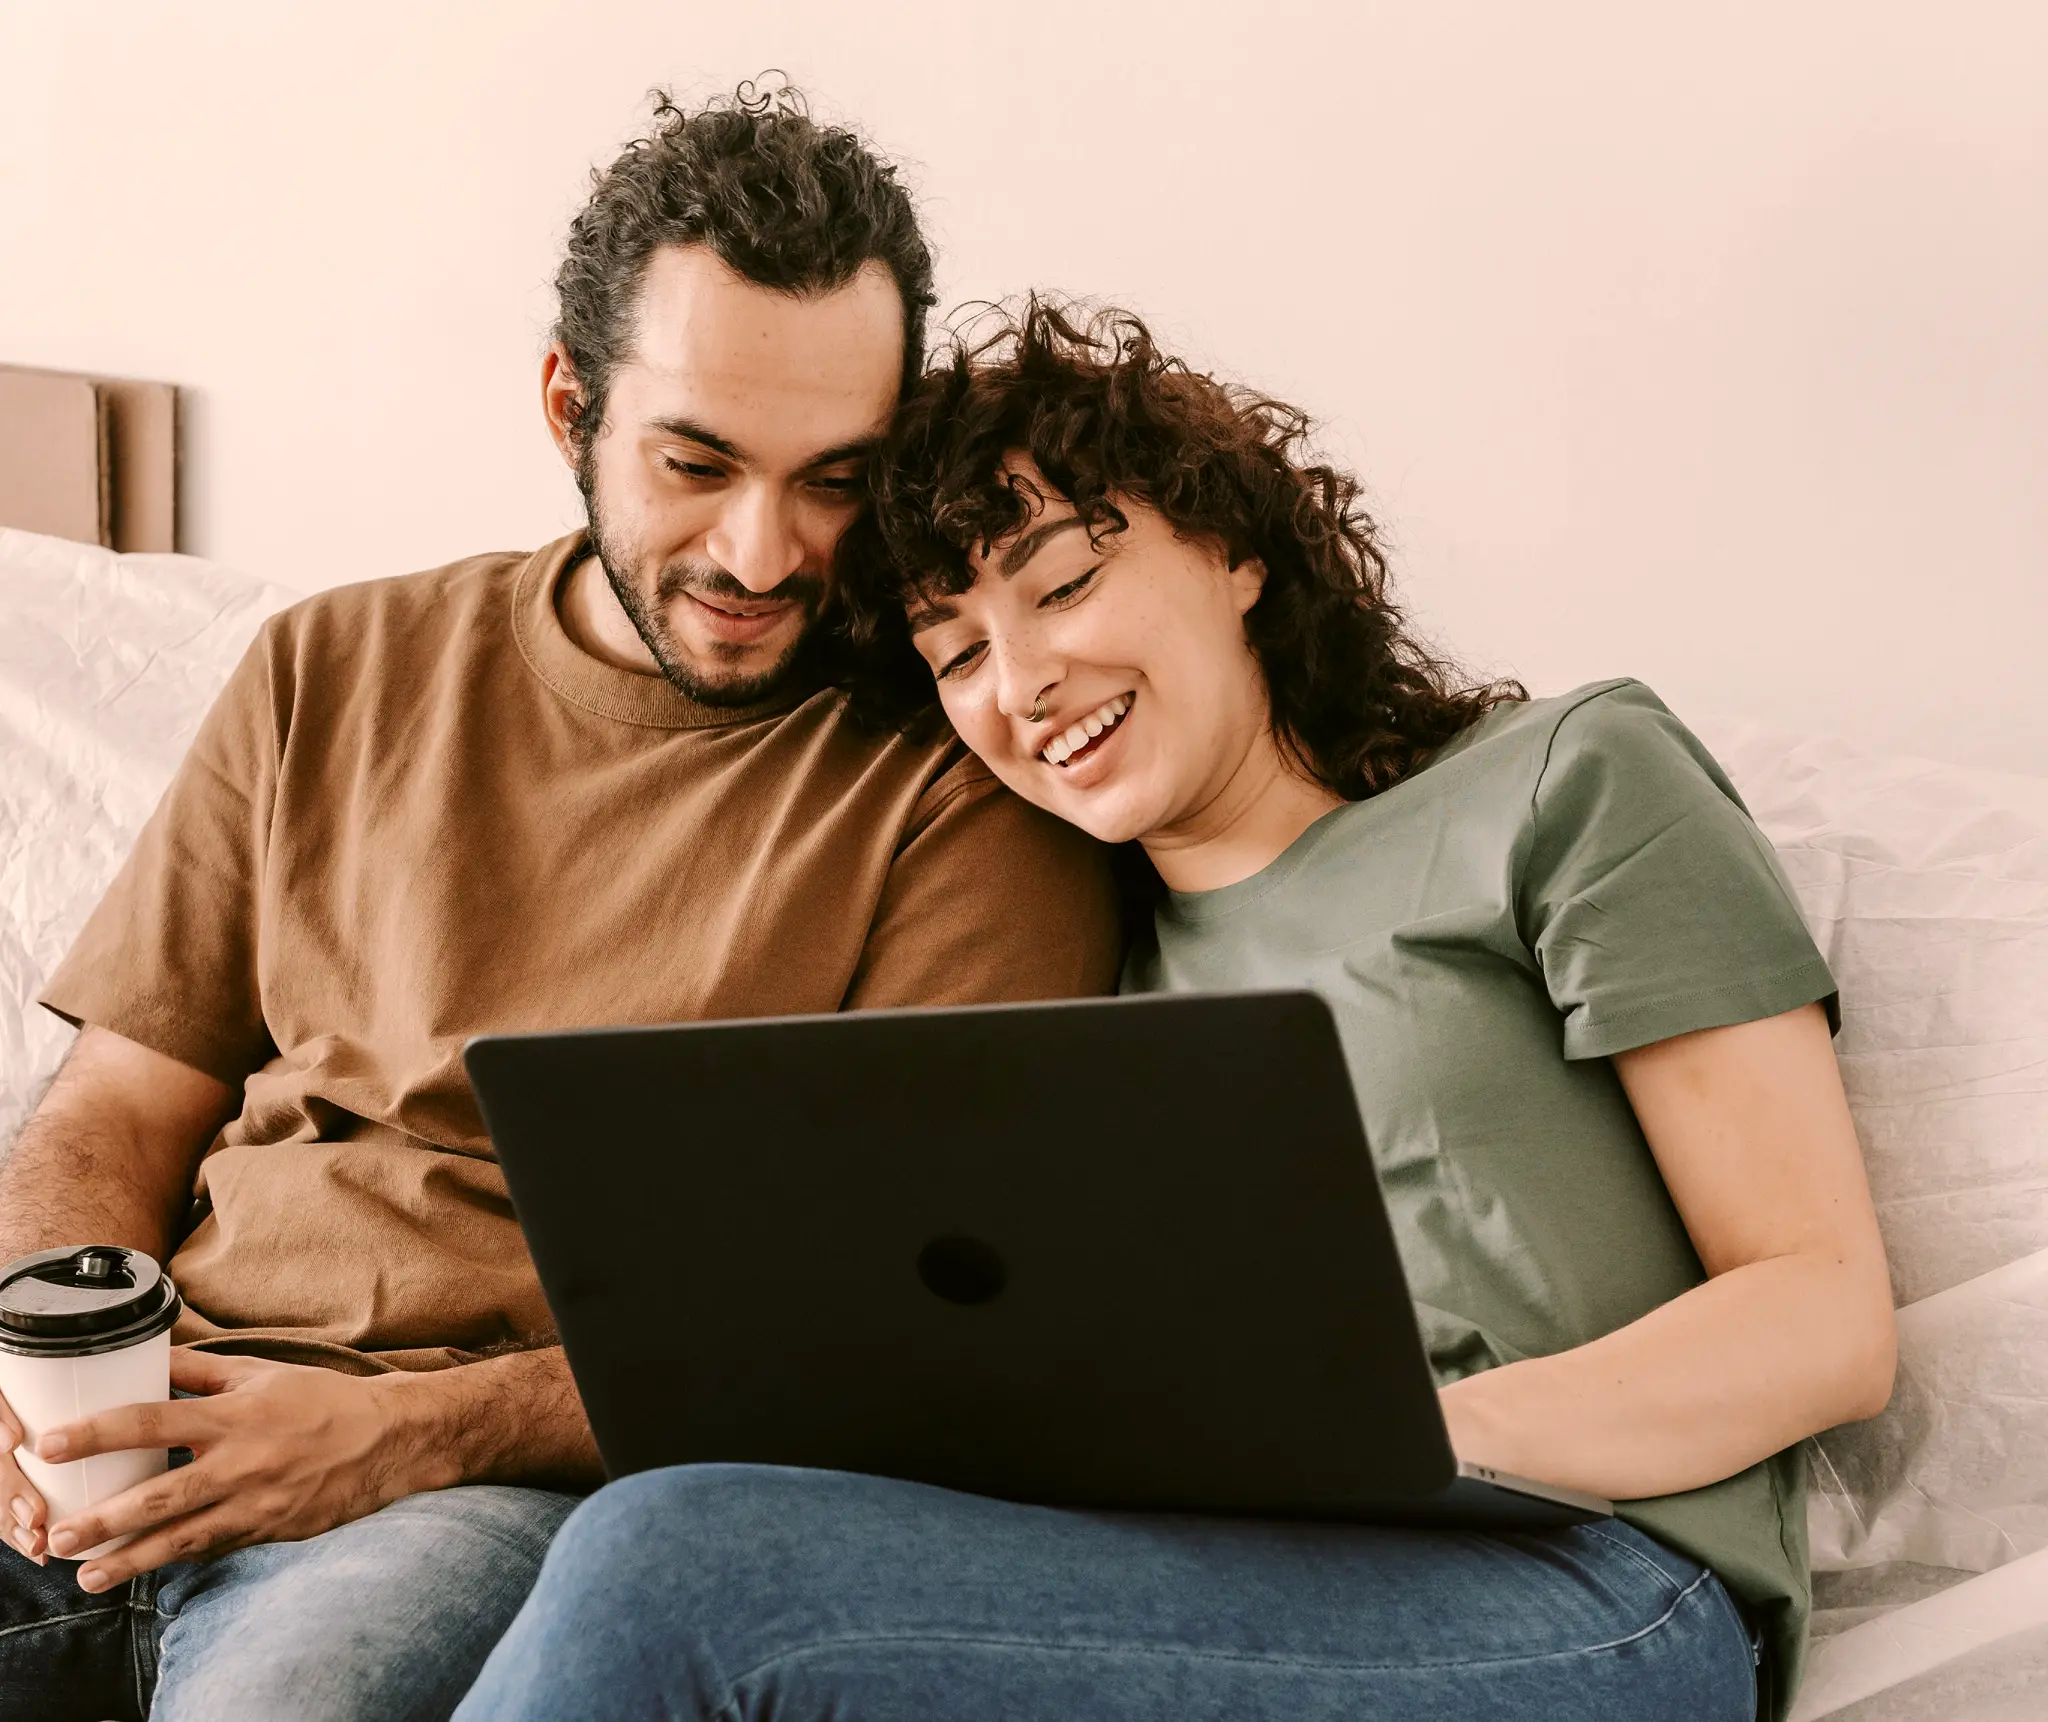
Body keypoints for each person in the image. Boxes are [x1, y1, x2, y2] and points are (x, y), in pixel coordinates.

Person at [456, 301, 1898, 1722]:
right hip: (1223, 1578)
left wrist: (1428, 1436)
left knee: (673, 1569)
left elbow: (1826, 1311)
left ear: (1238, 551)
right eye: (955, 651)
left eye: (1063, 582)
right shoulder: (1087, 986)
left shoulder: (1566, 781)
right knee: (688, 1513)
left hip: (1594, 1588)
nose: (1022, 683)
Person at [0, 106, 1119, 1722]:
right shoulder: (334, 665)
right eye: (696, 462)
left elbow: (891, 1334)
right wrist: (48, 1359)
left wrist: (406, 1434)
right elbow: (115, 1100)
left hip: (457, 1495)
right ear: (568, 404)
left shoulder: (951, 789)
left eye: (834, 482)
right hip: (138, 1416)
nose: (763, 550)